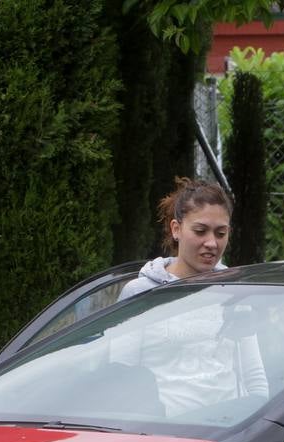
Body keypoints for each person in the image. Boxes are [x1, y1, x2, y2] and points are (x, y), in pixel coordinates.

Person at [111, 178, 268, 417]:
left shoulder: (234, 292)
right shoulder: (140, 293)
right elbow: (121, 374)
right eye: (200, 231)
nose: (211, 243)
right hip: (164, 433)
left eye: (220, 233)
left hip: (229, 429)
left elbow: (255, 377)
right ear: (176, 229)